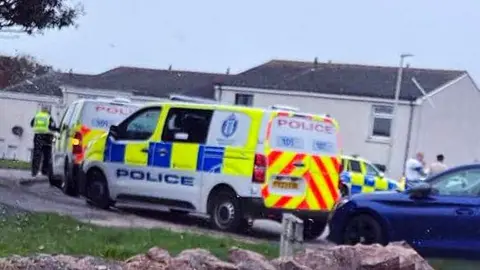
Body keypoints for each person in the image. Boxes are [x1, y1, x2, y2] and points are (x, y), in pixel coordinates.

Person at [30, 106, 57, 177]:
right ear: (48, 111)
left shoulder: (37, 116)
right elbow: (52, 127)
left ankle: (34, 172)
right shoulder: (49, 117)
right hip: (46, 138)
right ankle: (44, 172)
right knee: (46, 155)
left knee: (36, 155)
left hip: (37, 137)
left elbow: (31, 124)